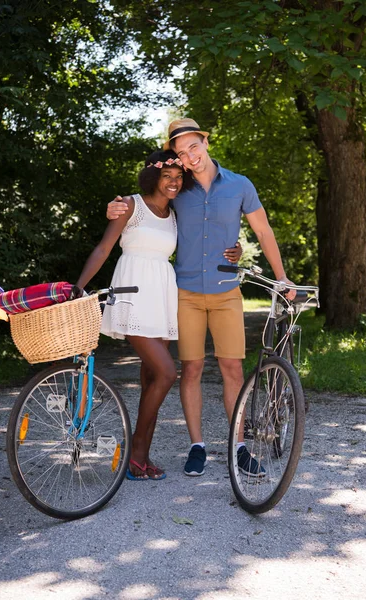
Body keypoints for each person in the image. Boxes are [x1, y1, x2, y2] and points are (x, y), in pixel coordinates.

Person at [106, 119, 295, 478]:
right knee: (190, 369)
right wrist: (116, 207)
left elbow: (263, 230)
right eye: (180, 152)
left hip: (227, 293)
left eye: (193, 147)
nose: (189, 157)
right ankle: (197, 447)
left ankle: (238, 447)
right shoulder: (179, 188)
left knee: (232, 370)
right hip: (186, 294)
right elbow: (144, 207)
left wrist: (281, 276)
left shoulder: (240, 185)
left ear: (205, 143)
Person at [76, 148, 241, 481]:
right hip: (132, 294)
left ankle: (142, 459)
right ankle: (135, 451)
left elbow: (205, 238)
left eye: (179, 177)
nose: (174, 183)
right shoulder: (131, 205)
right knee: (167, 373)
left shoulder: (175, 213)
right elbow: (104, 247)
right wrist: (78, 287)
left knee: (151, 377)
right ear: (153, 176)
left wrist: (235, 249)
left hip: (163, 296)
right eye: (167, 176)